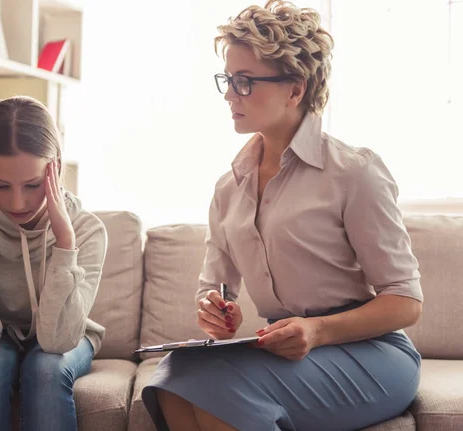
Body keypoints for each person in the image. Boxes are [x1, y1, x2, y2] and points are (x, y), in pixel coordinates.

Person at [142, 2, 423, 430]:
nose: (229, 94)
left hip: (371, 352)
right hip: (287, 349)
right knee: (175, 375)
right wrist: (216, 309)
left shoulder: (354, 171)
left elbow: (405, 302)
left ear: (295, 88)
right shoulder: (228, 187)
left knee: (208, 381)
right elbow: (215, 286)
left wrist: (317, 331)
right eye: (228, 80)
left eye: (245, 82)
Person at [0, 96, 107, 431]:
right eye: (1, 186)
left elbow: (57, 342)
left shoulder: (87, 231)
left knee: (46, 367)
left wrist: (65, 245)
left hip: (66, 335)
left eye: (32, 185)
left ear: (55, 167)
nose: (18, 202)